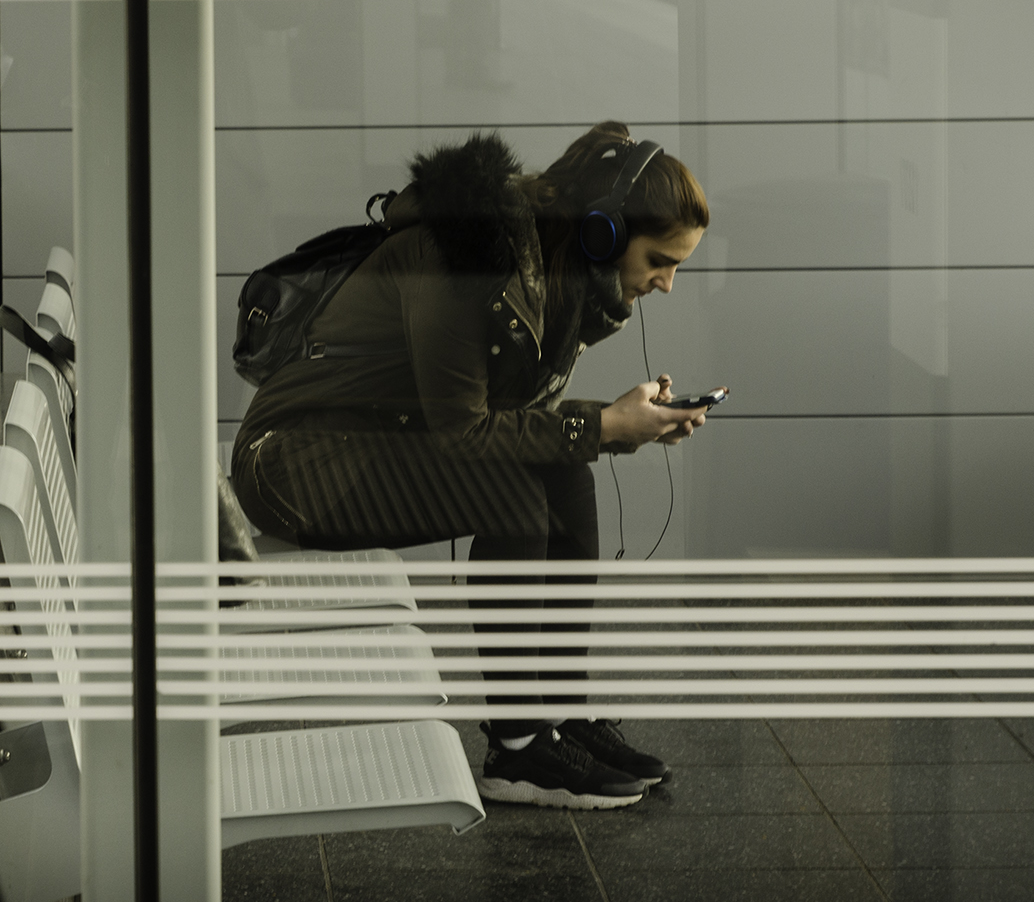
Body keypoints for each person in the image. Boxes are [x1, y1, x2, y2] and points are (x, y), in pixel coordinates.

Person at [229, 121, 715, 810]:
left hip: (374, 444)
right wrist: (603, 425)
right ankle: (517, 750)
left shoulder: (547, 271)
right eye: (662, 259)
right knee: (512, 494)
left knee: (564, 472)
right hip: (293, 464)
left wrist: (621, 420)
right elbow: (465, 434)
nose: (666, 283)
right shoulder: (464, 260)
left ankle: (559, 714)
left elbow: (509, 417)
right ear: (604, 231)